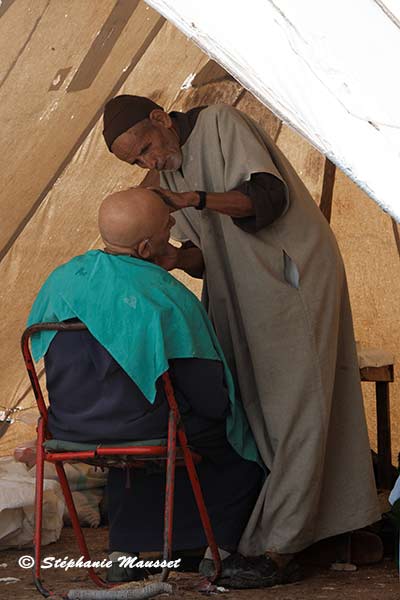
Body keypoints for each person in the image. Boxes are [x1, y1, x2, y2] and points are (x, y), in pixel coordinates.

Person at [102, 95, 381, 580]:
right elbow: (206, 255)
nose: (150, 162)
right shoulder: (169, 176)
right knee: (261, 412)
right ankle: (325, 529)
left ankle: (277, 548)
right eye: (138, 160)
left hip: (290, 282)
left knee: (299, 409)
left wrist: (195, 199)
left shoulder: (220, 124)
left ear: (160, 119)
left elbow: (266, 201)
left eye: (147, 147)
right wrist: (174, 259)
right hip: (243, 294)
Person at [27, 188, 267, 587]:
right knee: (233, 445)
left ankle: (125, 551)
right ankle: (217, 552)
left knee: (132, 447)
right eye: (167, 227)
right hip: (151, 428)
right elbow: (208, 393)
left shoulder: (62, 280)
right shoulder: (162, 292)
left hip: (69, 429)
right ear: (144, 247)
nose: (173, 228)